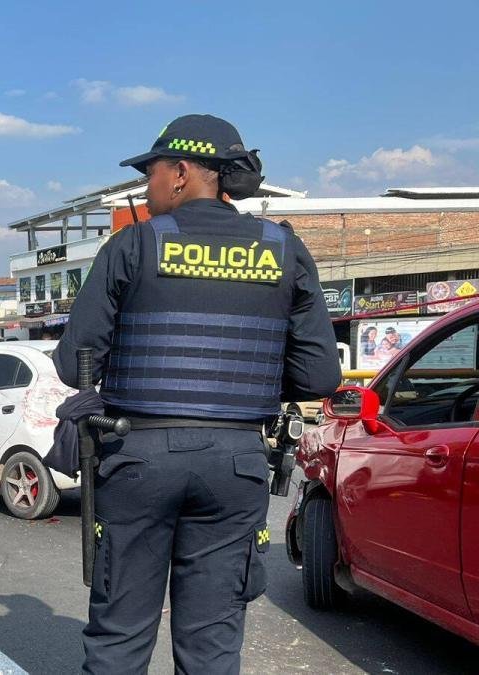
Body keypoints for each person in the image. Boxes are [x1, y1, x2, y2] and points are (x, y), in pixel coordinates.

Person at [53, 114, 341, 674]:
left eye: (152, 174)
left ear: (182, 172)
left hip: (137, 455)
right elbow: (318, 377)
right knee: (212, 647)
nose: (147, 189)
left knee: (118, 639)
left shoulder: (133, 244)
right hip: (236, 462)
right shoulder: (284, 249)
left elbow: (73, 363)